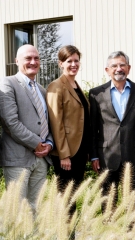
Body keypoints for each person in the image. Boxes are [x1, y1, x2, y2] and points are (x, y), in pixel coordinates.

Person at [89, 51, 135, 205]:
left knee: (133, 204)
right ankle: (109, 229)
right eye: (114, 65)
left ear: (129, 68)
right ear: (107, 70)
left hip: (134, 157)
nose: (119, 68)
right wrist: (94, 156)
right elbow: (92, 129)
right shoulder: (96, 94)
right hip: (107, 158)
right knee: (108, 204)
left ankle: (132, 230)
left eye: (122, 65)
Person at [0, 44, 53, 213]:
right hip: (17, 158)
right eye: (28, 58)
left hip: (42, 159)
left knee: (35, 207)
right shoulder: (7, 84)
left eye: (36, 58)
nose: (33, 62)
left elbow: (48, 123)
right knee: (17, 209)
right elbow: (10, 122)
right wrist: (37, 143)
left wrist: (49, 144)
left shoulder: (42, 90)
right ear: (17, 61)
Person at [46, 45, 90, 192]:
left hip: (80, 150)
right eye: (69, 61)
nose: (73, 65)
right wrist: (63, 155)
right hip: (67, 153)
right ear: (61, 63)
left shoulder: (76, 86)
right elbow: (55, 122)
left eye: (76, 61)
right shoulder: (56, 86)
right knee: (66, 197)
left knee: (75, 193)